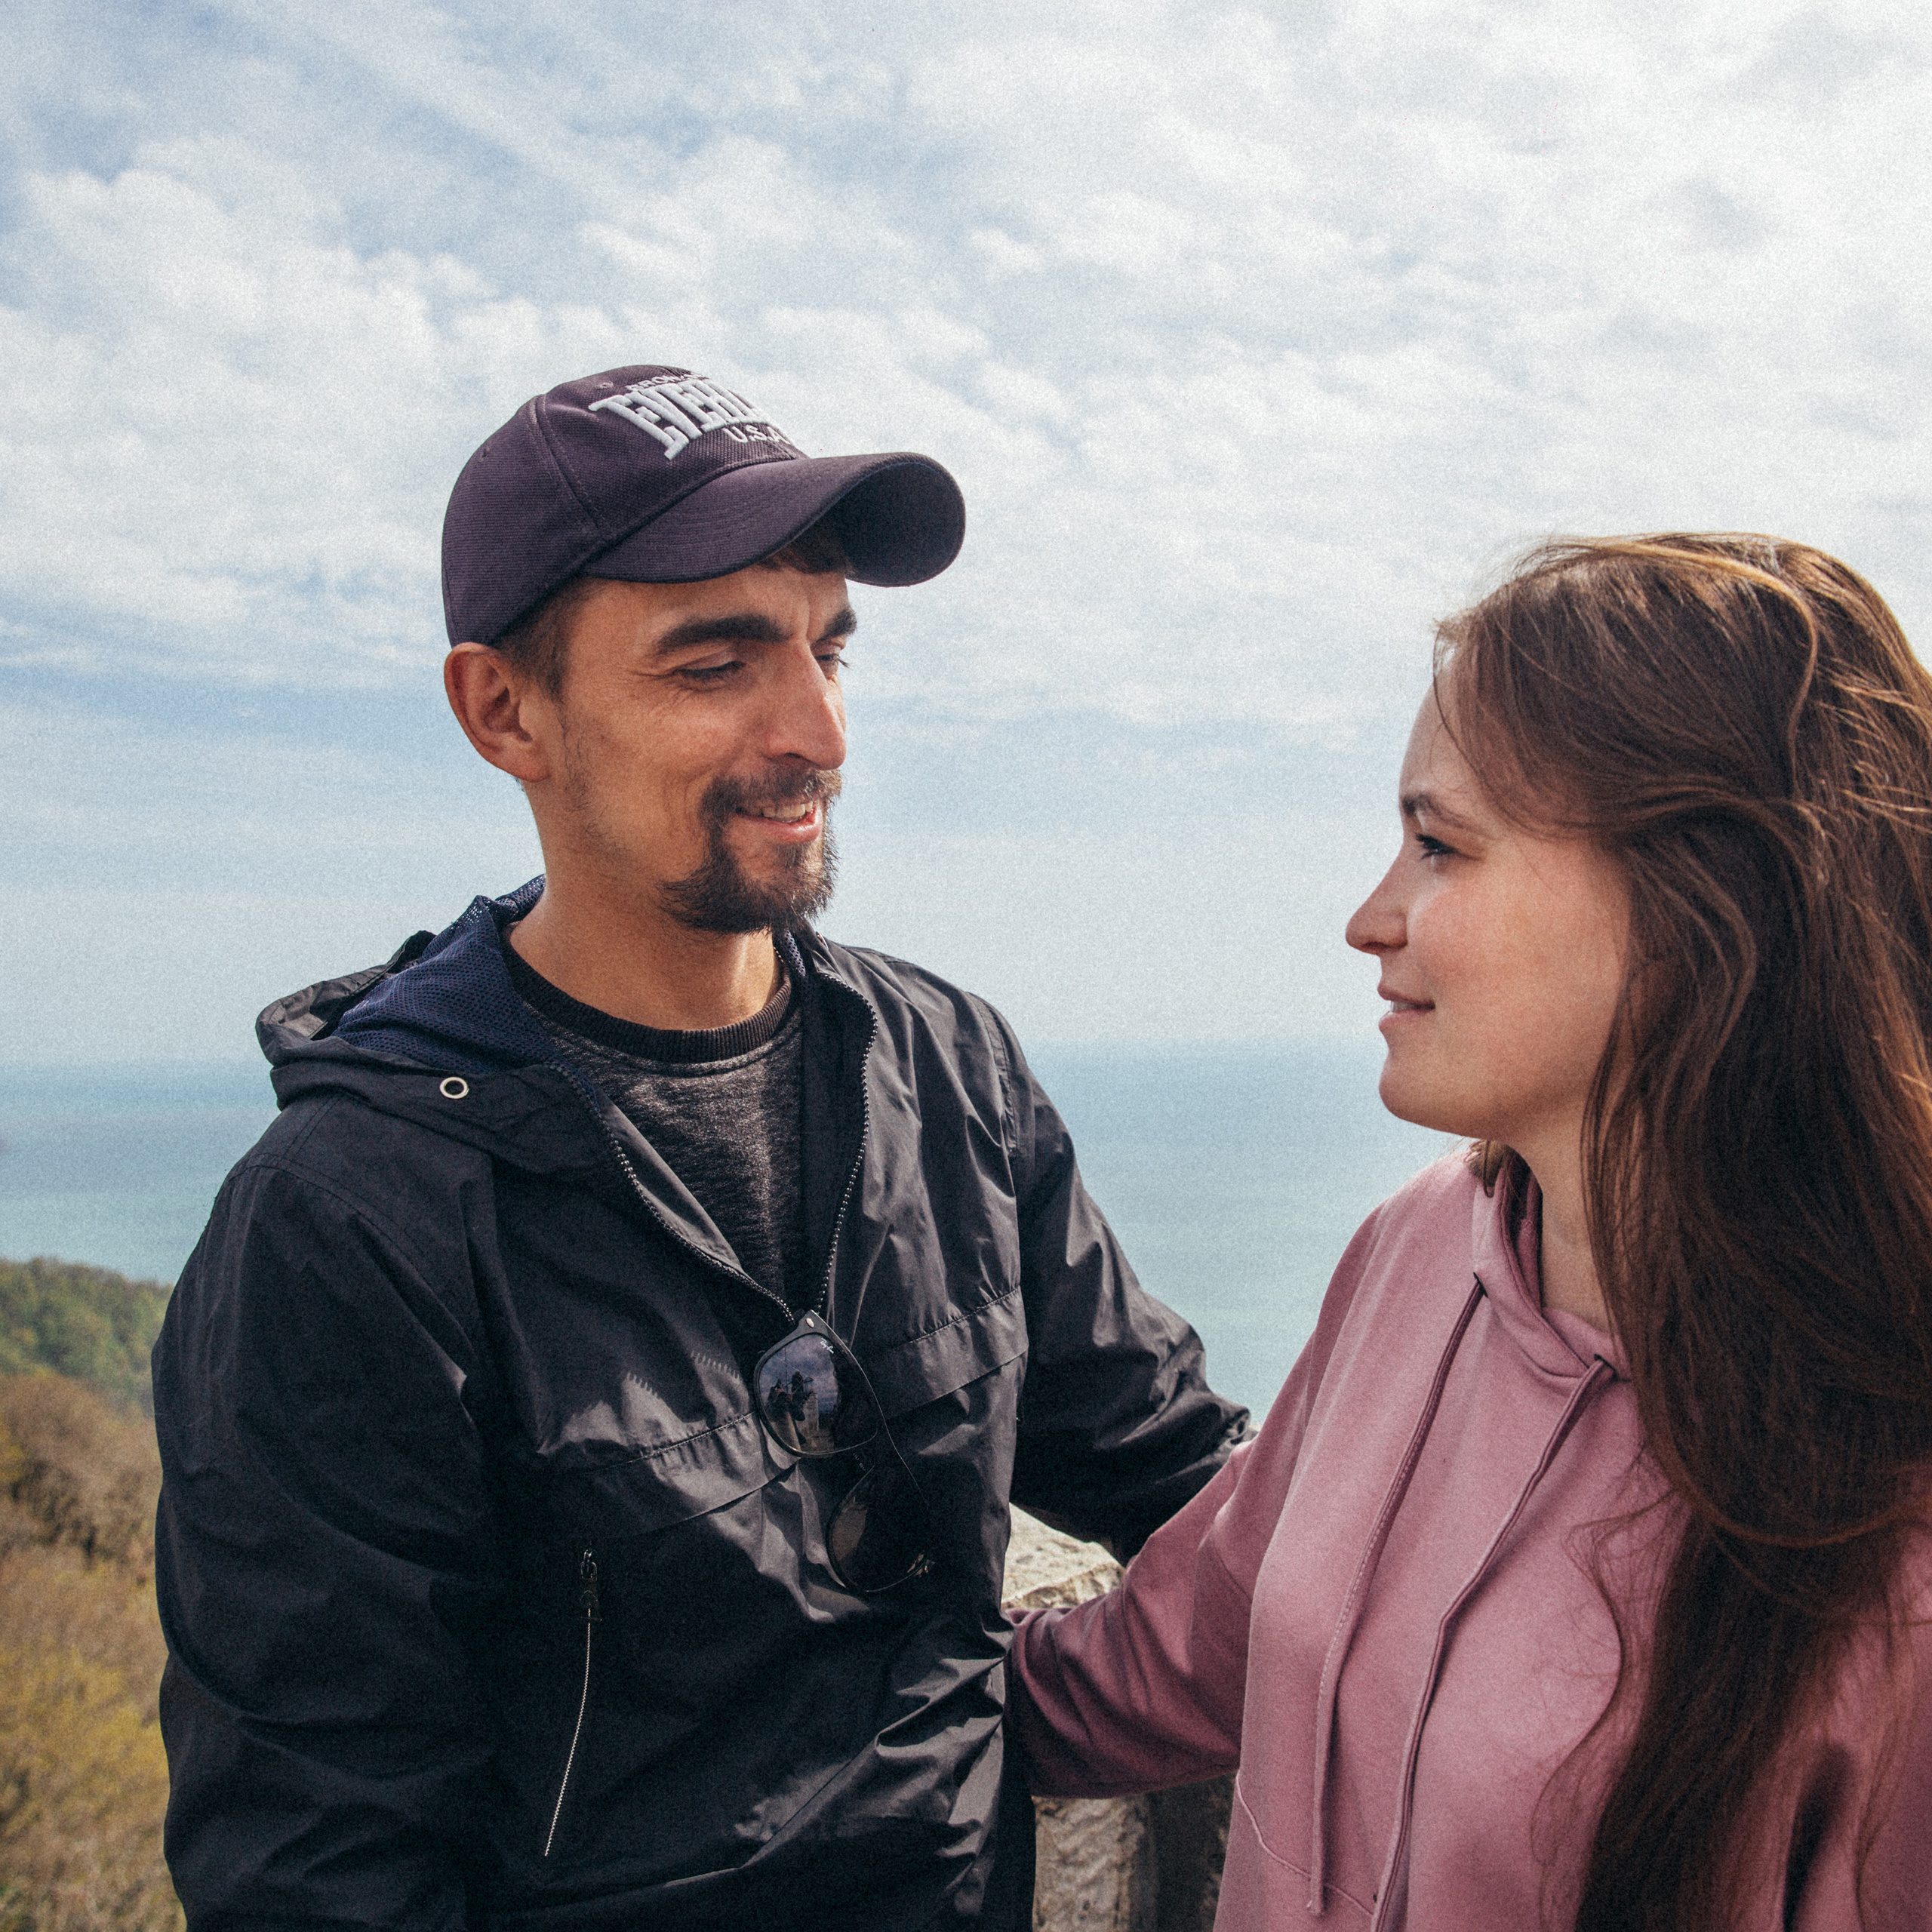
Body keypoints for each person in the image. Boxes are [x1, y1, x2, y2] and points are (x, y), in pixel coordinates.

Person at [151, 365, 1247, 1932]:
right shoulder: (350, 1219)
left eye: (827, 644)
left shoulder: (945, 1066)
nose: (813, 729)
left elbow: (1173, 1465)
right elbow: (315, 1859)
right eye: (714, 660)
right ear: (504, 709)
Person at [1008, 535, 1932, 1930]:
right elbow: (1186, 1653)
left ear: (1701, 908)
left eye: (1439, 845)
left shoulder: (1895, 1489)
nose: (1368, 919)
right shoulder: (1417, 1250)